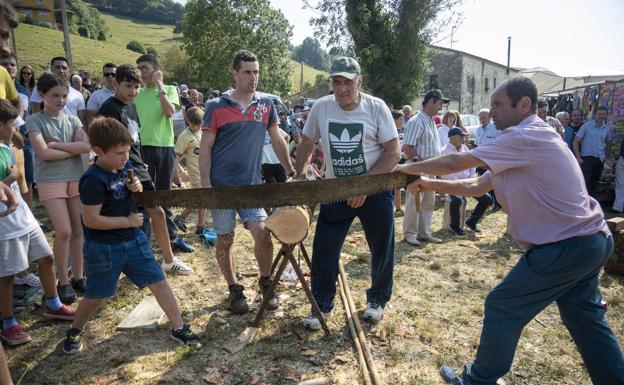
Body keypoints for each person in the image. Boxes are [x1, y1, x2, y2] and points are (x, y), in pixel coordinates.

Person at [397, 76, 624, 385]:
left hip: (567, 245)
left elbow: (456, 160)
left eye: (498, 104)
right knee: (585, 319)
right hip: (590, 242)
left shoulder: (525, 135)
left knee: (502, 305)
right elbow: (477, 185)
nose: (492, 111)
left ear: (524, 104)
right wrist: (429, 183)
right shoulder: (526, 139)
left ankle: (479, 380)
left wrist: (406, 168)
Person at [62, 117, 201, 354]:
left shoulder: (123, 168)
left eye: (127, 151)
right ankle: (74, 331)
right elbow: (91, 220)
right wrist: (126, 221)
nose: (126, 157)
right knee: (95, 297)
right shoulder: (92, 180)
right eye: (119, 153)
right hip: (104, 249)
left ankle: (178, 326)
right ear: (98, 151)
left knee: (159, 281)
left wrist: (135, 185)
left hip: (134, 242)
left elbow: (129, 191)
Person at [295, 56, 400, 328]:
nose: (341, 88)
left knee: (382, 247)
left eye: (347, 82)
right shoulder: (322, 107)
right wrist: (301, 172)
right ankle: (322, 303)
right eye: (336, 82)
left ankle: (377, 300)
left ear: (359, 81)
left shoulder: (377, 108)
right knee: (324, 249)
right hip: (336, 189)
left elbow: (393, 152)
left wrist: (365, 185)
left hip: (375, 189)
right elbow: (306, 143)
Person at [199, 50, 295, 314]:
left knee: (263, 233)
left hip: (252, 186)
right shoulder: (216, 106)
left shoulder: (266, 104)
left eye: (256, 72)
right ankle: (233, 288)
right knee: (225, 239)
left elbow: (277, 140)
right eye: (247, 72)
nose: (253, 78)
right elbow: (205, 147)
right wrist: (207, 186)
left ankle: (266, 282)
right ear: (235, 73)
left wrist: (291, 171)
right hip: (222, 188)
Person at [98, 64, 192, 274]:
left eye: (136, 87)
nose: (133, 91)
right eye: (128, 86)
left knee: (152, 213)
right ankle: (143, 262)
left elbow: (134, 139)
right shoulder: (108, 109)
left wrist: (140, 162)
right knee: (138, 216)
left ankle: (166, 260)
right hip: (124, 170)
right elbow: (107, 146)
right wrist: (121, 172)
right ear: (116, 84)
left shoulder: (132, 106)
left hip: (138, 166)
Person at [0, 99, 76, 346]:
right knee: (7, 275)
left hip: (22, 216)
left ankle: (53, 304)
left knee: (46, 258)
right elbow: (11, 176)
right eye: (12, 125)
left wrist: (12, 179)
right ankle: (8, 322)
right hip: (4, 222)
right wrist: (11, 178)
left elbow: (13, 174)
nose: (16, 130)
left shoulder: (5, 145)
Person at [26, 73, 91, 304]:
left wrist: (58, 146)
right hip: (50, 180)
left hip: (75, 178)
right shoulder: (34, 121)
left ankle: (79, 277)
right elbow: (43, 153)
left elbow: (86, 145)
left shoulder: (73, 120)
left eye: (64, 95)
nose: (61, 100)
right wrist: (72, 149)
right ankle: (62, 280)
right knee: (63, 231)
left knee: (79, 230)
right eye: (55, 95)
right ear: (42, 95)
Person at [134, 54, 194, 253]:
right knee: (144, 198)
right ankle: (145, 244)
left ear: (156, 69)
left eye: (145, 68)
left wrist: (160, 87)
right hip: (143, 148)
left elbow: (169, 112)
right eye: (140, 68)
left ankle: (172, 239)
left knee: (165, 195)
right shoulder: (138, 94)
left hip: (165, 147)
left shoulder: (168, 90)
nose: (142, 72)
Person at [402, 89, 448, 246]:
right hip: (418, 166)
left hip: (431, 167)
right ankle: (410, 233)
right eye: (440, 103)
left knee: (428, 202)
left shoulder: (430, 121)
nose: (441, 107)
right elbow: (407, 148)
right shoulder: (416, 121)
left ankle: (423, 233)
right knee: (414, 202)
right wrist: (419, 166)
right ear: (431, 101)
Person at [440, 128, 492, 236]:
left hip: (468, 182)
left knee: (487, 199)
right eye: (461, 136)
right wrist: (459, 184)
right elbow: (445, 172)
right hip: (452, 184)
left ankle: (471, 221)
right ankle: (454, 225)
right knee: (457, 200)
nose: (463, 138)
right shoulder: (444, 151)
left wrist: (471, 179)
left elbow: (472, 165)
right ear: (452, 137)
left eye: (464, 136)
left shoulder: (465, 148)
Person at [173, 106, 206, 235]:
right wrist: (180, 172)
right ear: (188, 121)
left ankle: (187, 221)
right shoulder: (184, 136)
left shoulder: (203, 131)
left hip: (205, 171)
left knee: (201, 199)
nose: (197, 127)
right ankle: (198, 225)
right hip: (195, 173)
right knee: (202, 199)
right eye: (194, 124)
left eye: (199, 124)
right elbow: (175, 157)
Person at [30, 57, 85, 124]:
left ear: (69, 71)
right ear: (51, 69)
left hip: (74, 131)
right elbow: (35, 112)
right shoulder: (40, 88)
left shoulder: (78, 94)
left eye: (64, 68)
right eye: (57, 67)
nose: (61, 71)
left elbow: (82, 119)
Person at [573, 106, 612, 198]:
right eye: (599, 114)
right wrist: (578, 157)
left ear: (606, 116)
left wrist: (607, 157)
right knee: (583, 184)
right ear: (595, 115)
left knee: (594, 184)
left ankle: (591, 205)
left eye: (603, 114)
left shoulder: (606, 129)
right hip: (587, 159)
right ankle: (580, 203)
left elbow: (609, 142)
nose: (601, 116)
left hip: (599, 159)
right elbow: (576, 141)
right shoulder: (586, 126)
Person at [474, 108, 501, 211]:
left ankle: (497, 204)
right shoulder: (479, 129)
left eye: (484, 117)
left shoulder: (496, 129)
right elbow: (477, 144)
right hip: (480, 161)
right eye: (480, 117)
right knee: (484, 182)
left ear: (489, 117)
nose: (482, 119)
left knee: (494, 183)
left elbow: (499, 145)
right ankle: (489, 202)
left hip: (491, 160)